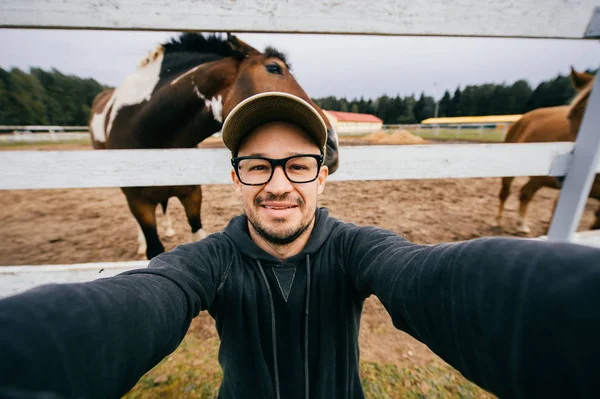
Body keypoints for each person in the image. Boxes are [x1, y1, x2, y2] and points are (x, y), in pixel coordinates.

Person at [1, 91, 600, 399]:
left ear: (324, 174)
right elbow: (142, 300)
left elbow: (425, 276)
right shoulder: (203, 260)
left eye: (299, 165)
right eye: (258, 166)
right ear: (235, 177)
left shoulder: (358, 248)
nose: (279, 184)